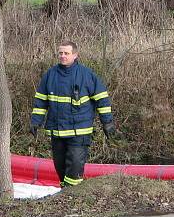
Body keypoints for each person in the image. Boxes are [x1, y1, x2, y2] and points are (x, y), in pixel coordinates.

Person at [30, 40, 116, 187]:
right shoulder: (50, 75)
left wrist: (107, 122)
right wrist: (35, 121)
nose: (63, 56)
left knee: (75, 168)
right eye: (61, 53)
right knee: (60, 168)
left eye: (66, 53)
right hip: (57, 132)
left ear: (75, 55)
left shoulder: (87, 75)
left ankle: (72, 196)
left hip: (79, 132)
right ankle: (65, 195)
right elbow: (41, 101)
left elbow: (102, 99)